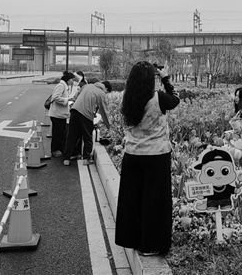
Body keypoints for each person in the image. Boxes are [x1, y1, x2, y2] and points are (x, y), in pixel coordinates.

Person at [115, 61, 180, 257]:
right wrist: (166, 78)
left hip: (133, 154)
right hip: (156, 156)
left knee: (133, 199)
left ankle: (132, 239)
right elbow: (176, 99)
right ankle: (150, 244)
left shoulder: (128, 98)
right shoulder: (159, 98)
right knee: (154, 202)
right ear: (152, 79)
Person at [63, 80, 112, 166]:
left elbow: (76, 97)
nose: (106, 94)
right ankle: (86, 159)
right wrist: (108, 125)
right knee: (87, 137)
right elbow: (104, 111)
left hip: (74, 111)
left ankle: (66, 159)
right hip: (86, 115)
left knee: (71, 135)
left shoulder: (87, 86)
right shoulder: (101, 93)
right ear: (106, 89)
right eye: (107, 92)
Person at [49, 72, 75, 157]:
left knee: (61, 133)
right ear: (68, 79)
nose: (73, 81)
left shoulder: (65, 86)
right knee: (57, 133)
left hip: (61, 114)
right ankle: (55, 150)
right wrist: (67, 100)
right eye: (72, 79)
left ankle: (60, 149)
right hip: (57, 114)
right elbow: (56, 97)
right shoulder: (61, 86)